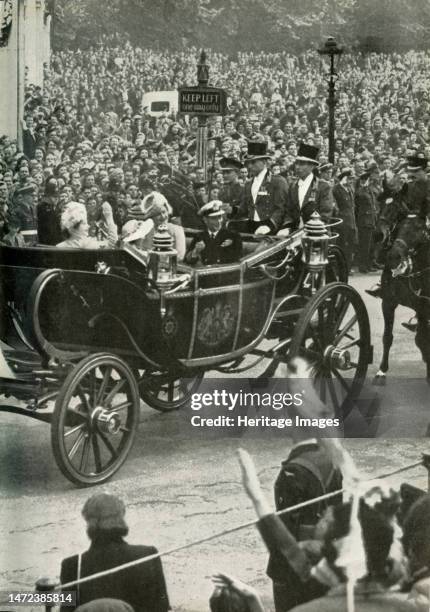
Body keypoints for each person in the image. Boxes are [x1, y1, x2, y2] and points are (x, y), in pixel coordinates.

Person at [60, 493, 170, 612]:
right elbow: (161, 607)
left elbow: (66, 611)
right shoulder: (147, 555)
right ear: (121, 517)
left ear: (87, 521)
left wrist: (43, 596)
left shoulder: (72, 565)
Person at [235, 141, 289, 235]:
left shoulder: (277, 181)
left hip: (270, 228)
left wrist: (270, 225)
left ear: (264, 162)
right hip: (252, 226)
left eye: (253, 162)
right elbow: (243, 208)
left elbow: (281, 208)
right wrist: (230, 210)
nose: (249, 166)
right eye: (248, 163)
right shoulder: (248, 184)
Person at [284, 144, 334, 231]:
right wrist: (286, 227)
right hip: (295, 234)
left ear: (312, 166)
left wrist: (307, 230)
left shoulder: (323, 186)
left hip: (317, 234)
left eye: (302, 164)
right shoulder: (293, 186)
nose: (297, 167)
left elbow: (325, 215)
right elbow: (288, 211)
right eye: (297, 163)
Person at [131, 191, 186, 260]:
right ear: (151, 217)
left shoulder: (177, 230)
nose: (163, 216)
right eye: (157, 214)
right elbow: (140, 252)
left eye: (164, 212)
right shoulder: (146, 231)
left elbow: (179, 257)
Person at [185, 200, 242, 265]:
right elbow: (187, 262)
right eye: (214, 218)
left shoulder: (233, 236)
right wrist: (195, 252)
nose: (219, 221)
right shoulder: (199, 236)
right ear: (205, 220)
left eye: (220, 217)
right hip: (204, 273)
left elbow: (238, 262)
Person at [333, 168, 357, 274]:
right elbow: (335, 207)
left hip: (351, 221)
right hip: (342, 223)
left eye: (352, 179)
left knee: (350, 246)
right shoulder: (336, 189)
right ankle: (340, 268)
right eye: (349, 179)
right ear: (344, 178)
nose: (351, 181)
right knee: (341, 246)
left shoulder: (350, 189)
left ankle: (347, 267)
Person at [355, 169, 378, 273]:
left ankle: (368, 264)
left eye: (367, 179)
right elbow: (358, 196)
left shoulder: (369, 190)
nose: (366, 181)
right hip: (364, 220)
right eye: (364, 180)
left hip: (371, 220)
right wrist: (363, 186)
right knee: (364, 245)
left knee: (370, 244)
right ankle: (362, 266)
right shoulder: (360, 190)